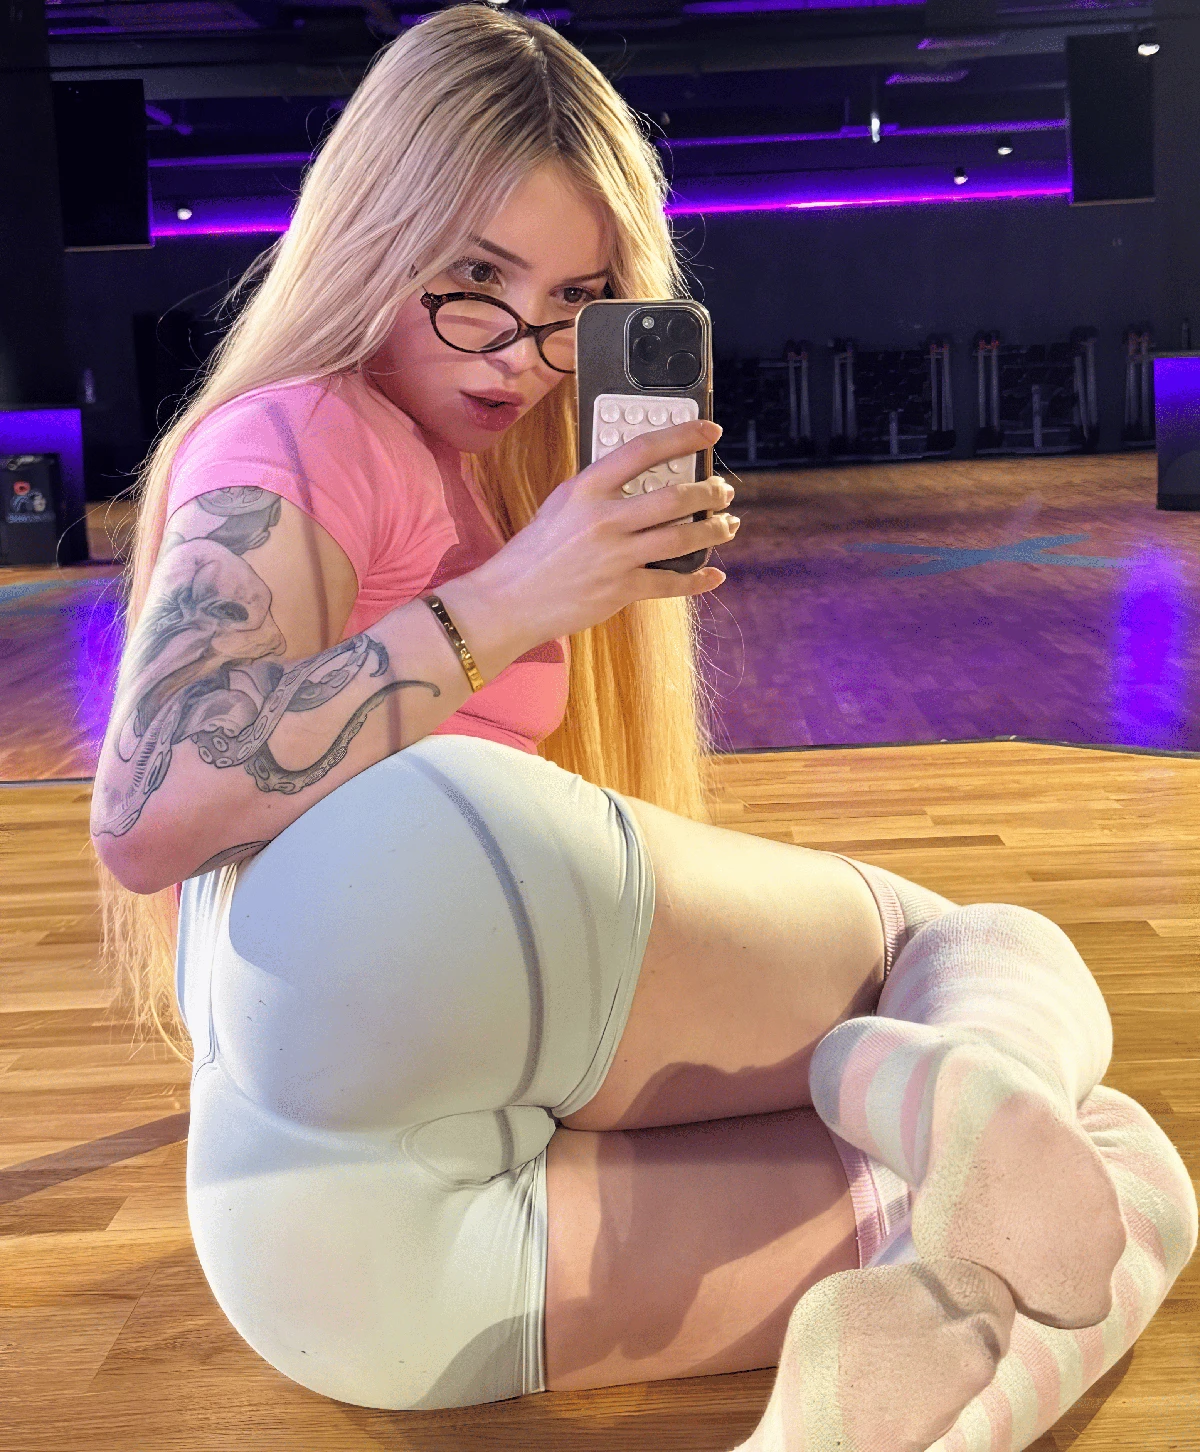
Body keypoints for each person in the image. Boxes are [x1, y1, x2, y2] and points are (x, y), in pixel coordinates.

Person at [92, 6, 1196, 1448]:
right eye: (472, 279)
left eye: (575, 299)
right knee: (982, 950)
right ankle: (931, 1072)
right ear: (370, 237)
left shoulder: (469, 467)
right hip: (427, 930)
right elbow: (146, 807)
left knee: (1114, 1177)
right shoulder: (300, 428)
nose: (522, 350)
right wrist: (513, 597)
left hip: (332, 1280)